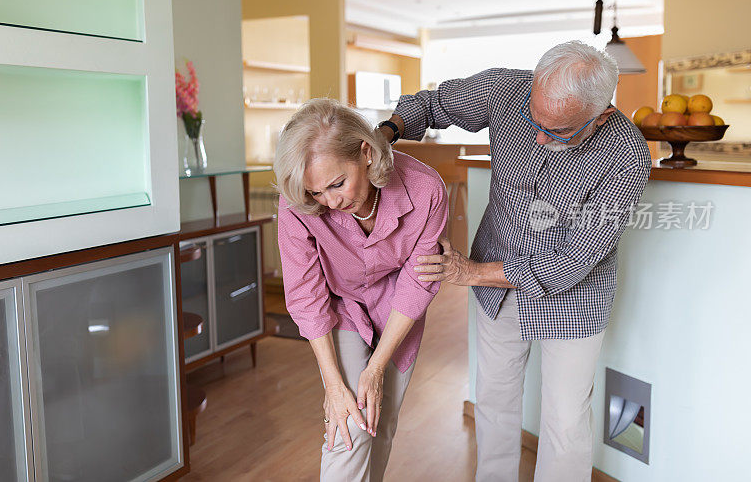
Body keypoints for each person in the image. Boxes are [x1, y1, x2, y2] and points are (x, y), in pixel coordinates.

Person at [376, 41, 652, 482]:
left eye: (558, 132)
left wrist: (471, 272)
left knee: (564, 421)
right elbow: (432, 104)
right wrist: (386, 132)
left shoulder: (627, 158)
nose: (539, 137)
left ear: (599, 116)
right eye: (533, 119)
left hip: (575, 300)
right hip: (496, 289)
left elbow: (573, 261)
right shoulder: (507, 90)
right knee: (494, 399)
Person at [275, 98, 448, 482]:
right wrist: (334, 383)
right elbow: (305, 293)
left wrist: (377, 366)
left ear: (366, 153)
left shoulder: (425, 189)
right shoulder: (298, 201)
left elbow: (419, 279)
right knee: (349, 426)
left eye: (337, 183)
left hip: (398, 307)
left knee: (381, 424)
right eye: (317, 193)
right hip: (341, 307)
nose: (331, 201)